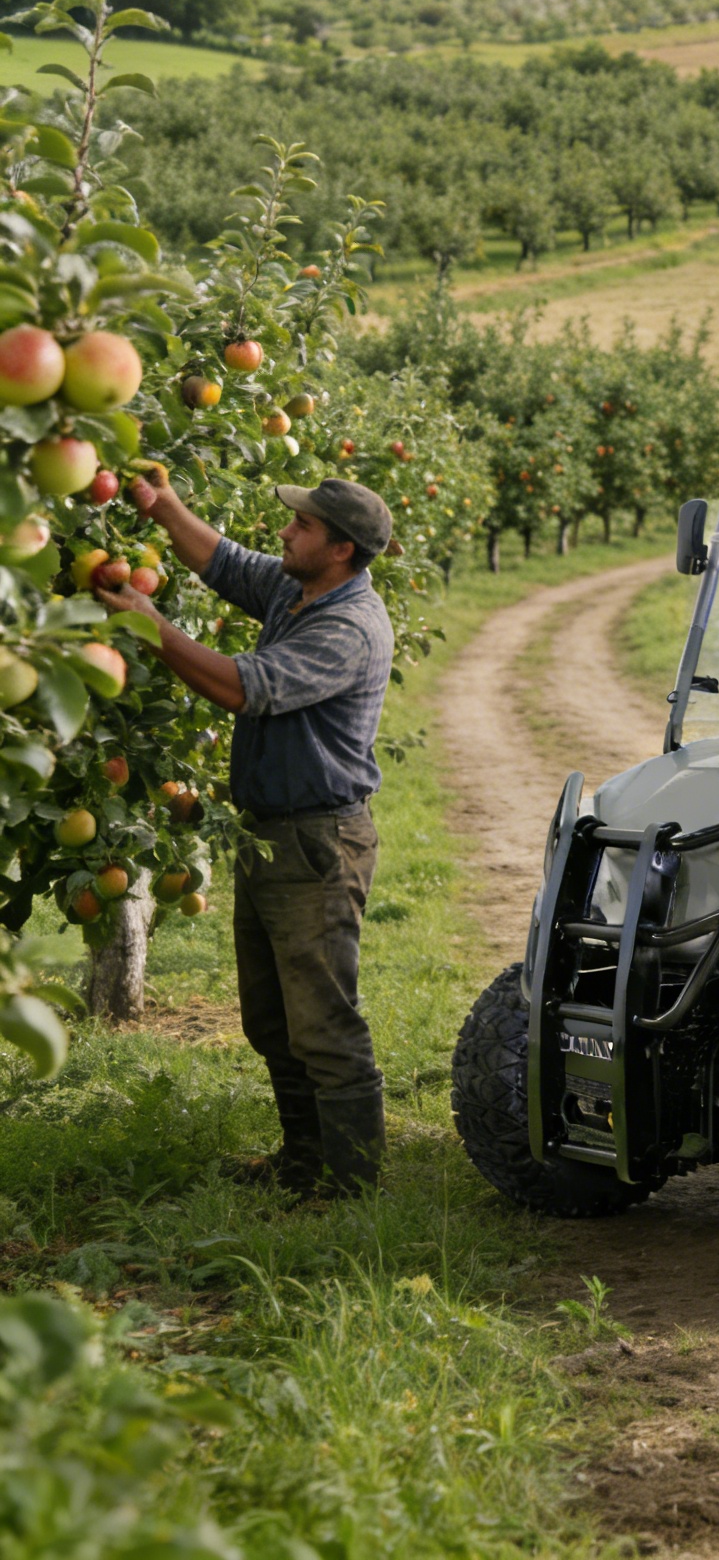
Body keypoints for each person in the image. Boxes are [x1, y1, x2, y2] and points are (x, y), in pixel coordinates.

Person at [96, 474, 397, 1199]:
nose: (286, 533)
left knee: (323, 1022)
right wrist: (163, 502)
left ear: (341, 549)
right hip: (271, 837)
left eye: (302, 527)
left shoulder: (347, 627)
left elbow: (241, 687)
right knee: (271, 1018)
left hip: (318, 842)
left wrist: (151, 625)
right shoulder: (299, 590)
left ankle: (350, 1187)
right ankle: (303, 1161)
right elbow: (224, 561)